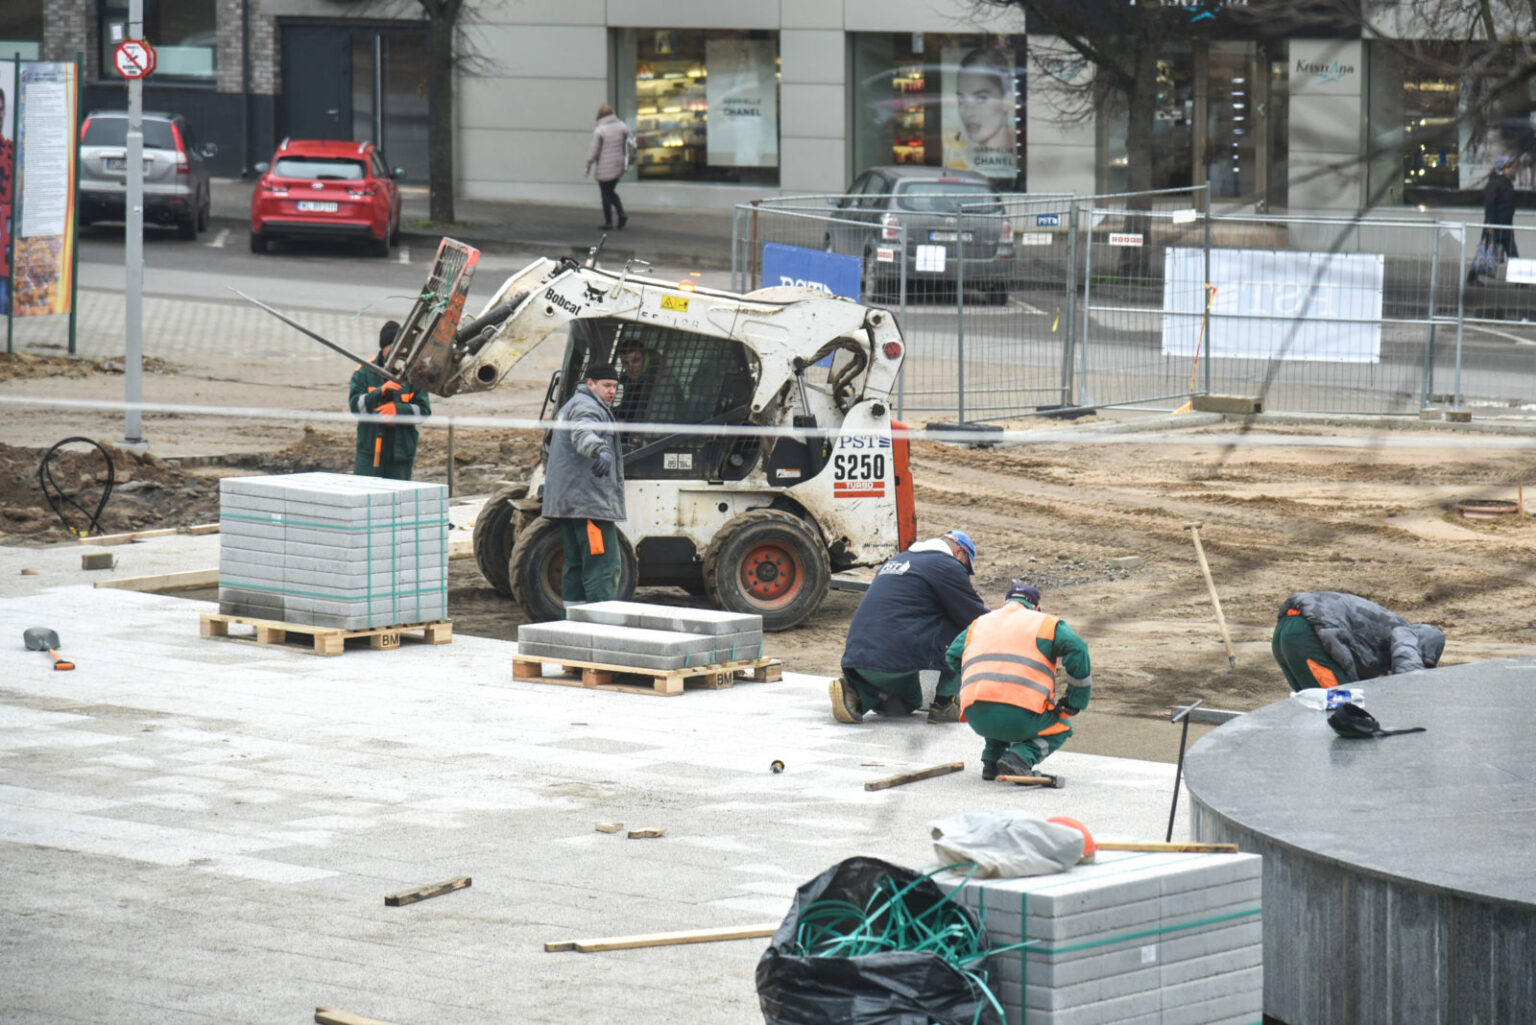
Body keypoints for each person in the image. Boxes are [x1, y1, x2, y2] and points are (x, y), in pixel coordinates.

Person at [831, 530, 988, 725]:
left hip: (858, 658)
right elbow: (974, 615)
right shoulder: (946, 565)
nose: (964, 573)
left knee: (908, 703)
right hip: (894, 658)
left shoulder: (898, 560)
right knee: (970, 628)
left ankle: (857, 695)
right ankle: (946, 702)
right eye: (965, 567)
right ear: (959, 553)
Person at [946, 582, 1093, 781]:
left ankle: (992, 760)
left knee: (995, 697)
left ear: (1005, 603)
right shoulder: (1046, 624)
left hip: (975, 714)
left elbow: (953, 654)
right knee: (1061, 727)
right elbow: (1078, 648)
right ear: (1036, 607)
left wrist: (977, 677)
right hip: (1019, 715)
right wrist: (1076, 700)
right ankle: (1021, 758)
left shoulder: (979, 623)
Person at [544, 362, 626, 607]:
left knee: (576, 565)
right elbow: (583, 433)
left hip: (569, 503)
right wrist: (600, 448)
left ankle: (573, 624)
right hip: (589, 504)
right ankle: (601, 626)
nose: (612, 391)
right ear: (590, 383)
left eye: (615, 386)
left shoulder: (571, 405)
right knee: (603, 566)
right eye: (607, 385)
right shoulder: (587, 406)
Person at [1271, 591, 1445, 692]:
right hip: (1308, 635)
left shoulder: (1382, 632)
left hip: (1285, 631)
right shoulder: (1406, 632)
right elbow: (1409, 680)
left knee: (1311, 704)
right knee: (1340, 707)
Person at [350, 320, 430, 480]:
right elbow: (356, 407)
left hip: (400, 455)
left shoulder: (414, 373)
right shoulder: (365, 372)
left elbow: (423, 411)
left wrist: (398, 411)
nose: (398, 353)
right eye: (392, 348)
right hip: (370, 453)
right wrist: (380, 392)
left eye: (401, 348)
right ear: (383, 348)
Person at [942, 47, 1017, 181]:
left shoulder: (1013, 170)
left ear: (1007, 99)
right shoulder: (960, 166)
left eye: (981, 98)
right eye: (962, 100)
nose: (968, 112)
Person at [613, 339, 684, 435]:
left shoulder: (662, 384)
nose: (631, 366)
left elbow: (657, 422)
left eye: (635, 360)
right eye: (626, 363)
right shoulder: (629, 382)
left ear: (645, 359)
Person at [584, 103, 634, 231]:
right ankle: (621, 214)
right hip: (619, 164)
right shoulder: (622, 126)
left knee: (605, 194)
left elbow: (594, 149)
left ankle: (609, 222)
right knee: (611, 191)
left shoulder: (600, 130)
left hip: (605, 165)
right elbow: (631, 141)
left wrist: (588, 164)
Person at [1470, 155, 1518, 285]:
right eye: (1508, 167)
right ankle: (1472, 276)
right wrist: (1490, 224)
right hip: (1496, 223)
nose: (1510, 169)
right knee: (1486, 249)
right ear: (1502, 168)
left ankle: (1519, 279)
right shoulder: (1495, 183)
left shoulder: (1505, 182)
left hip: (1505, 222)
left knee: (1511, 251)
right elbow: (1490, 205)